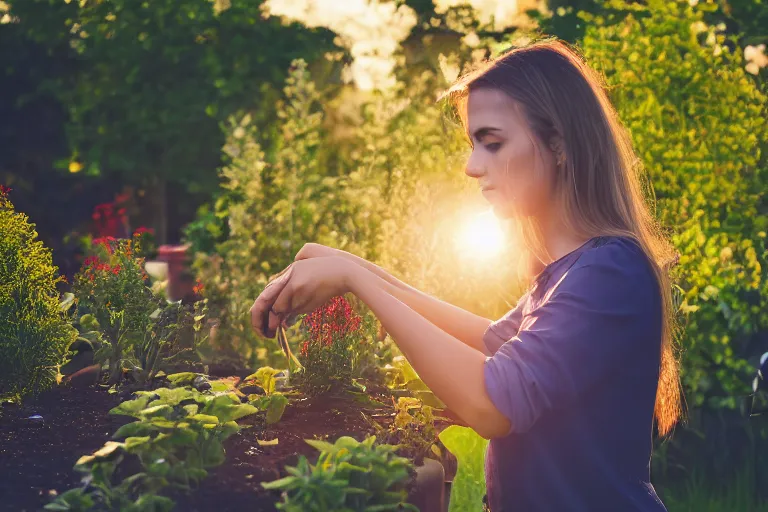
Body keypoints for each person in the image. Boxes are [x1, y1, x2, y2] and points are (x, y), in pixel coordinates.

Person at [249, 37, 683, 511]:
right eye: (473, 144)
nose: (472, 167)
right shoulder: (569, 270)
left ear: (558, 142)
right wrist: (351, 265)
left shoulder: (610, 271)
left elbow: (492, 405)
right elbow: (489, 346)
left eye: (492, 143)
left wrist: (358, 282)